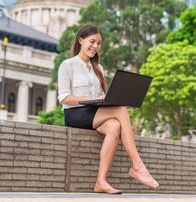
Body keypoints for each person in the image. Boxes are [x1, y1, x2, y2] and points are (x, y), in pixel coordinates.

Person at [58, 24, 159, 194]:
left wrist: (106, 99)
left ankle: (101, 182)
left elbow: (100, 96)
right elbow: (64, 98)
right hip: (74, 114)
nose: (95, 46)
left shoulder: (99, 69)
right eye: (92, 41)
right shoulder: (67, 65)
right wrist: (94, 99)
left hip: (93, 113)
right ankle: (137, 165)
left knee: (115, 126)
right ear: (80, 40)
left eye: (99, 43)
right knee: (120, 110)